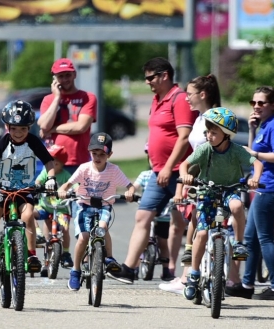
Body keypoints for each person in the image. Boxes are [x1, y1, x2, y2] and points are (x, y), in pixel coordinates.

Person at [108, 57, 197, 284]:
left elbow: (184, 137)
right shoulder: (158, 99)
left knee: (183, 224)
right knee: (142, 216)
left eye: (150, 78)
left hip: (180, 173)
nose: (147, 83)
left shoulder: (180, 99)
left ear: (164, 75)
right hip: (159, 173)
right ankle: (129, 268)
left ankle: (187, 273)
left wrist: (169, 167)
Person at [176, 108, 262, 300]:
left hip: (229, 190)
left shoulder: (236, 151)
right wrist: (185, 175)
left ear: (227, 135)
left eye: (214, 132)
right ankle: (194, 275)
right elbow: (184, 164)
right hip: (207, 192)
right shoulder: (205, 149)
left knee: (238, 206)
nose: (209, 135)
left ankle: (238, 244)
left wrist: (255, 178)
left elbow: (257, 164)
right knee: (202, 233)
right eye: (208, 132)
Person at [0, 100, 57, 281]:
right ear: (7, 127)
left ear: (29, 128)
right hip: (1, 189)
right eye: (14, 129)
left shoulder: (33, 142)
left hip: (24, 190)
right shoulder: (3, 142)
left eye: (23, 129)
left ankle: (32, 254)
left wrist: (51, 178)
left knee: (27, 216)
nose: (18, 133)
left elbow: (49, 162)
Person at [227, 86, 274, 301]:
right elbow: (252, 156)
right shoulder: (264, 125)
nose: (256, 106)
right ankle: (247, 284)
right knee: (250, 238)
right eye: (253, 102)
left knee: (264, 238)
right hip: (261, 186)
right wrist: (253, 130)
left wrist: (255, 152)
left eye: (261, 103)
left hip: (270, 187)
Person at [160, 74, 222, 293]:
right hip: (197, 177)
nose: (186, 98)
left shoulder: (212, 118)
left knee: (207, 225)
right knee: (195, 222)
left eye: (190, 94)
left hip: (211, 178)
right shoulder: (199, 118)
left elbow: (208, 154)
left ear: (202, 94)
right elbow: (194, 155)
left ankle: (199, 276)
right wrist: (182, 183)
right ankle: (187, 275)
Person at [58, 133, 136, 291]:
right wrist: (62, 189)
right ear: (89, 152)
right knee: (84, 237)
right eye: (94, 154)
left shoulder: (114, 170)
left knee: (102, 228)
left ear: (110, 155)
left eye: (102, 154)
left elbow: (130, 185)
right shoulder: (84, 169)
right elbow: (68, 183)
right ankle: (75, 270)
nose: (98, 157)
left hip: (104, 206)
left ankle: (108, 258)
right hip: (84, 206)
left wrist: (130, 192)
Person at [37, 58, 97, 175]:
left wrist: (53, 129)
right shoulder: (48, 100)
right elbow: (44, 125)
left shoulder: (88, 97)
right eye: (60, 76)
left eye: (68, 75)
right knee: (52, 193)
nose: (65, 79)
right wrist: (57, 98)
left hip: (79, 161)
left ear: (74, 74)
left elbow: (81, 127)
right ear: (54, 78)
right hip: (54, 162)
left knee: (79, 193)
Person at [34, 144, 74, 274]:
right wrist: (37, 186)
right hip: (46, 206)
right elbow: (38, 181)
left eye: (55, 160)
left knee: (65, 229)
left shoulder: (66, 175)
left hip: (61, 208)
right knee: (29, 213)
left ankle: (66, 253)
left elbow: (75, 185)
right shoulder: (46, 172)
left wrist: (75, 191)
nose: (51, 163)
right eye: (50, 160)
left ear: (62, 162)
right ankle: (38, 233)